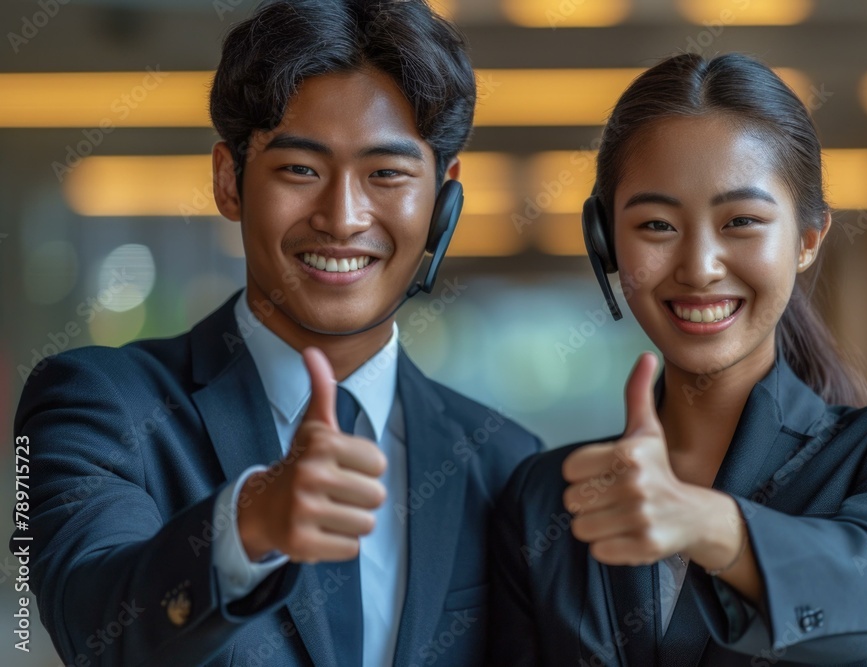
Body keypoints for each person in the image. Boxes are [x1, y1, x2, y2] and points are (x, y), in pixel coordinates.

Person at [12, 1, 541, 665]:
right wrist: (250, 522)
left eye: (387, 174)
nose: (343, 218)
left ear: (444, 199)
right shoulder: (96, 404)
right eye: (300, 169)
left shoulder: (506, 464)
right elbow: (96, 627)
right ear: (229, 181)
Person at [489, 52, 867, 666]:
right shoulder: (545, 499)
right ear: (605, 242)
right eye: (658, 225)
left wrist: (706, 525)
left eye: (741, 221)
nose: (698, 266)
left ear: (806, 240)